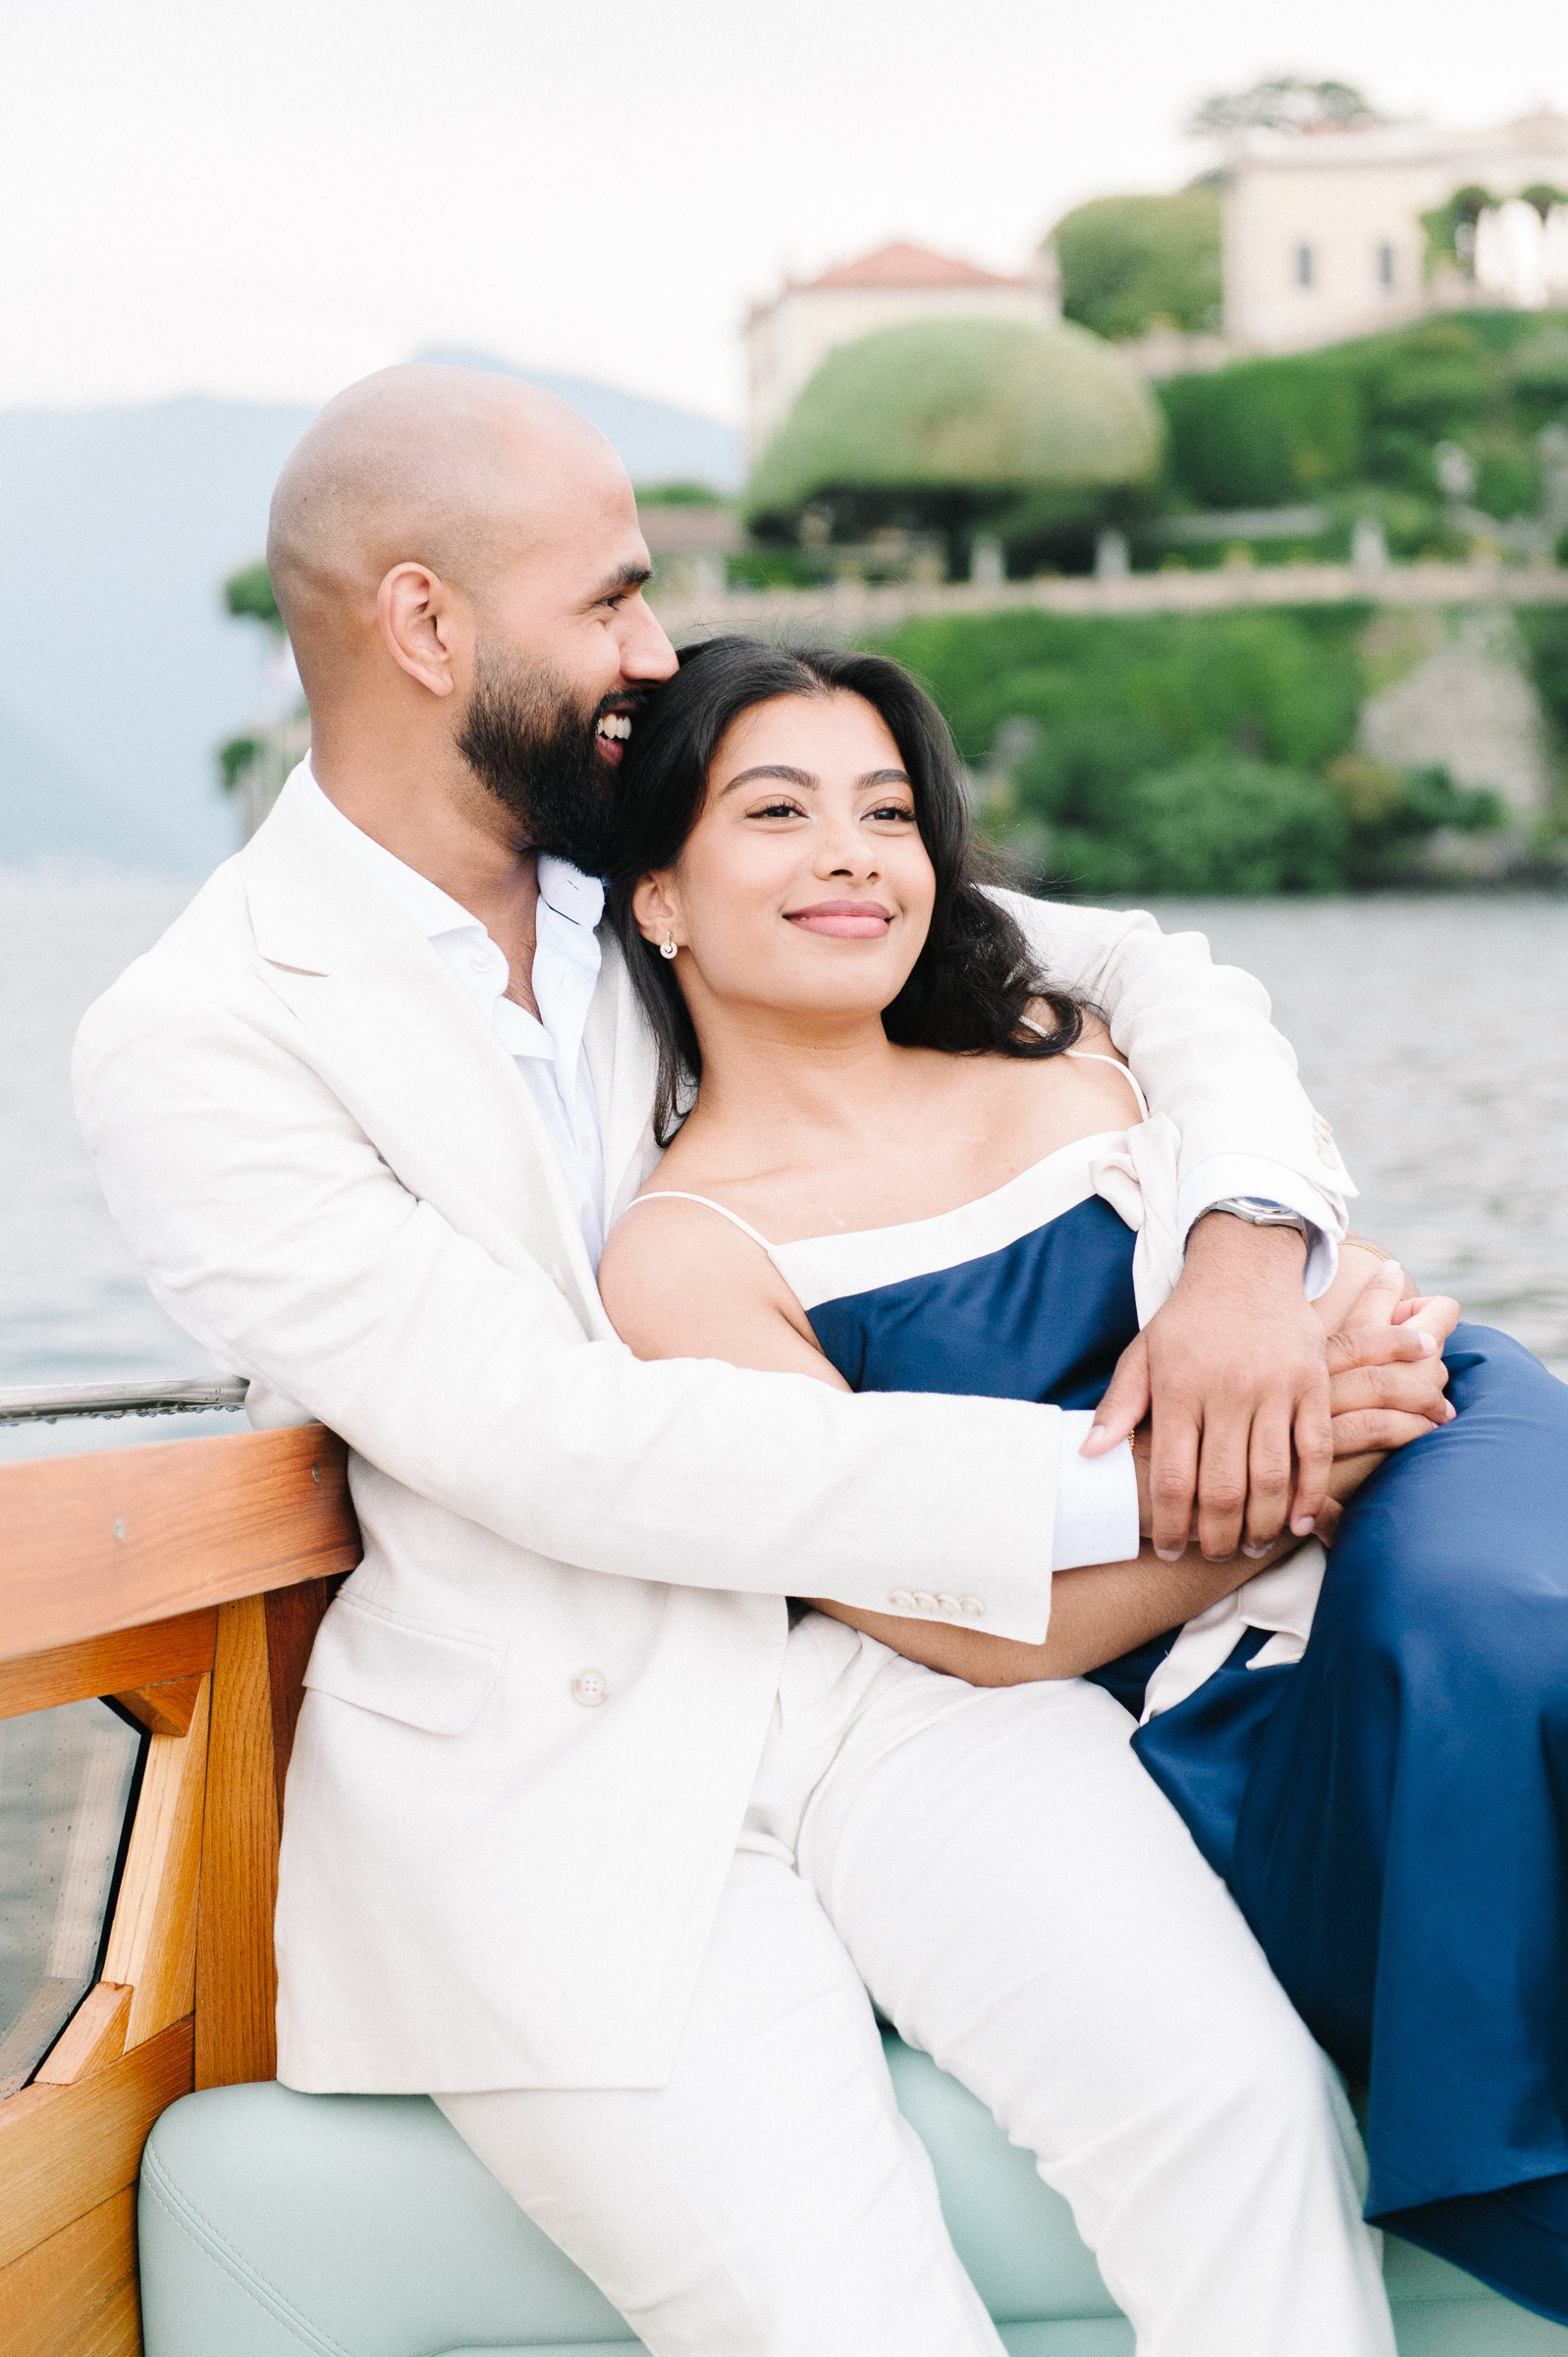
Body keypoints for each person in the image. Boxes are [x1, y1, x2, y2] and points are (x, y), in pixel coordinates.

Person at [73, 364, 1411, 2357]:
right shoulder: (198, 1036)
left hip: (891, 1685)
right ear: (427, 623)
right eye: (611, 597)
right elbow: (553, 1440)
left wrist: (1239, 1258)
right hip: (549, 1763)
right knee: (850, 2324)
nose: (653, 648)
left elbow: (1143, 970)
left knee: (1244, 2130)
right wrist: (1148, 1485)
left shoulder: (661, 857)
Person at [599, 632, 1568, 2331]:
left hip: (1430, 1457)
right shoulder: (686, 1258)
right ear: (659, 895)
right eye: (778, 812)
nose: (852, 854)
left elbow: (1340, 1279)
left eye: (887, 812)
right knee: (1457, 1667)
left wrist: (1316, 1339)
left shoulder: (1070, 1045)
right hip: (1197, 1644)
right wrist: (1296, 1471)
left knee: (1495, 1615)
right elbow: (963, 1627)